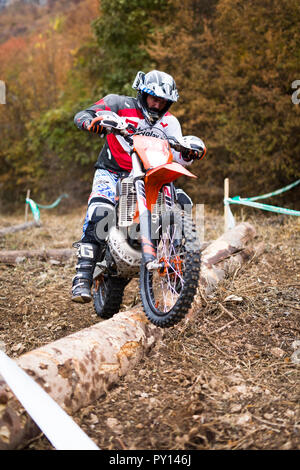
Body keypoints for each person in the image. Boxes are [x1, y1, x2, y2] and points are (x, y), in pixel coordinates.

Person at [71, 70, 205, 303]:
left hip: (150, 177)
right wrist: (92, 122)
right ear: (141, 93)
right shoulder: (117, 103)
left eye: (163, 100)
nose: (156, 103)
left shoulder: (170, 122)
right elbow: (84, 114)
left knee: (182, 200)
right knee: (100, 209)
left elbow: (177, 158)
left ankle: (179, 262)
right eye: (152, 97)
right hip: (112, 171)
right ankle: (82, 276)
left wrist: (188, 153)